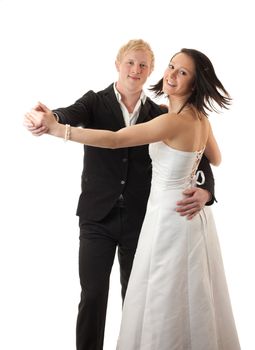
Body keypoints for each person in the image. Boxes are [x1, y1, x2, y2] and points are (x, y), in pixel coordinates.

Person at [24, 41, 217, 350]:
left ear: (150, 71)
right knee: (93, 295)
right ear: (117, 64)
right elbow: (67, 113)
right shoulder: (94, 101)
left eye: (143, 66)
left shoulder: (160, 113)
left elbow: (200, 157)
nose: (135, 70)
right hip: (97, 217)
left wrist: (207, 190)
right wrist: (50, 120)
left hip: (142, 219)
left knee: (138, 295)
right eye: (130, 63)